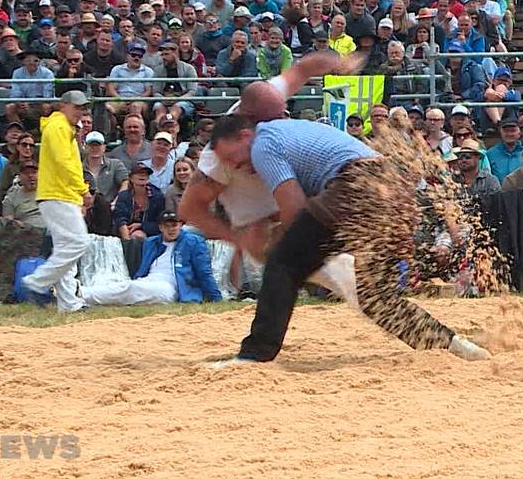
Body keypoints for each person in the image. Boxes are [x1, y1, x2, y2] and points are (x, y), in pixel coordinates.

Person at [208, 115, 490, 364]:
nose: (237, 166)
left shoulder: (263, 144)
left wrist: (285, 251)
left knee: (282, 264)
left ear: (244, 136)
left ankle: (256, 354)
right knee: (376, 299)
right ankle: (455, 346)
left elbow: (294, 209)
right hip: (396, 193)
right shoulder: (287, 131)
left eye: (232, 157)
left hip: (359, 185)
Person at [20, 91, 92, 313]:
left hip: (59, 194)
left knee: (65, 249)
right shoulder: (58, 127)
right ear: (63, 106)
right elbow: (64, 163)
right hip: (58, 194)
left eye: (83, 108)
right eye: (77, 107)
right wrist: (83, 190)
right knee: (79, 243)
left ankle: (69, 304)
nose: (80, 112)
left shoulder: (62, 128)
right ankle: (37, 282)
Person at [81, 211, 222, 306]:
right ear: (160, 227)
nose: (171, 229)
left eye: (174, 225)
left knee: (130, 289)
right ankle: (83, 294)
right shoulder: (151, 242)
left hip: (172, 287)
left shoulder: (194, 242)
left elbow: (204, 272)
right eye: (167, 226)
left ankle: (82, 294)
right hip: (149, 280)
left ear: (181, 226)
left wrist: (216, 298)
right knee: (127, 287)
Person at [114, 162, 166, 242]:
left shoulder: (157, 196)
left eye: (145, 174)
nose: (142, 175)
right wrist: (127, 240)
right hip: (126, 232)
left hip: (151, 235)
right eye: (138, 173)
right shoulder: (124, 196)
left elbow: (160, 223)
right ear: (131, 178)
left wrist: (142, 226)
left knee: (138, 236)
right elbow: (120, 218)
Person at [82, 131, 128, 203]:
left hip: (110, 207)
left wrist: (117, 201)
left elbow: (126, 182)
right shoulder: (78, 168)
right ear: (85, 147)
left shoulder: (116, 164)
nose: (94, 148)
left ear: (104, 147)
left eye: (98, 145)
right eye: (91, 145)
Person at [1, 159, 44, 228]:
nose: (30, 176)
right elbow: (8, 223)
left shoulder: (50, 192)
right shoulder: (11, 197)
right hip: (26, 232)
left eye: (34, 172)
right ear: (19, 176)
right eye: (26, 173)